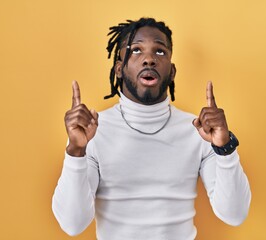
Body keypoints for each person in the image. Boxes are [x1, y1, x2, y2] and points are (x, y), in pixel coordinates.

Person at [52, 18, 251, 240]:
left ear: (172, 71)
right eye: (136, 50)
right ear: (119, 69)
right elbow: (72, 224)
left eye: (159, 52)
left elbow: (234, 214)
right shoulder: (92, 132)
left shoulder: (200, 131)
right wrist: (76, 151)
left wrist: (224, 147)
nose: (148, 59)